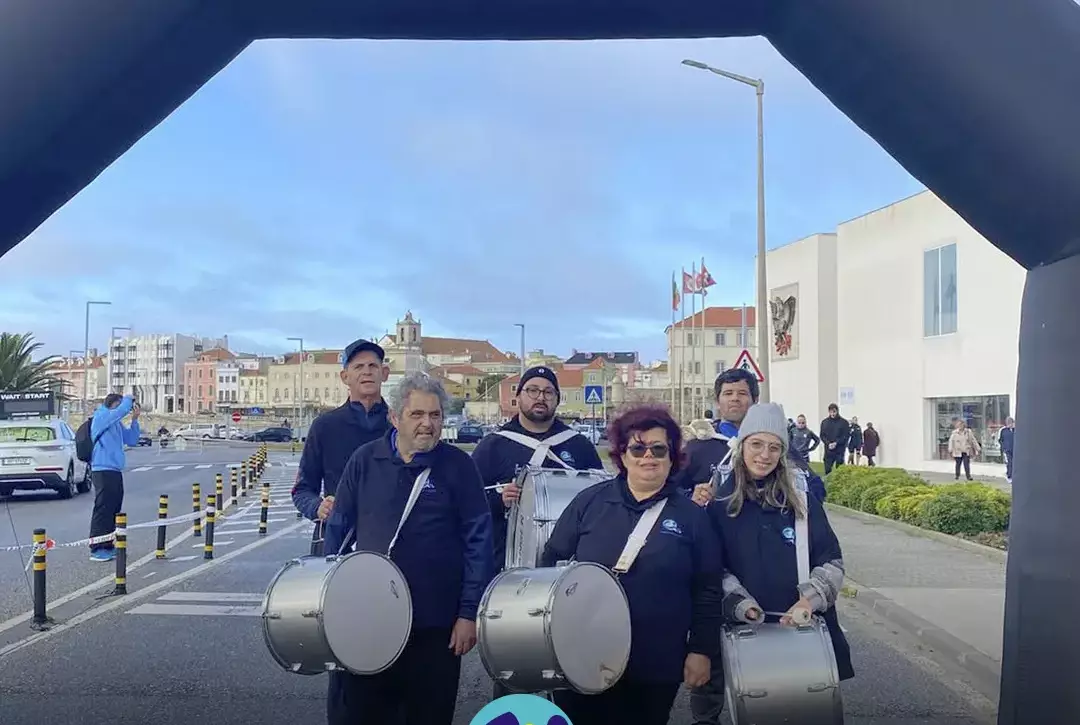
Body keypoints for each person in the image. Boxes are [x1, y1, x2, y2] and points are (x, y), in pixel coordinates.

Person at [324, 372, 494, 725]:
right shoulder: (364, 460)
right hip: (369, 620)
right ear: (394, 417)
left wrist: (468, 614)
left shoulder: (459, 466)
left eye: (435, 415)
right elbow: (337, 534)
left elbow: (479, 542)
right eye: (417, 414)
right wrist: (329, 602)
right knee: (362, 715)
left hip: (436, 625)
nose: (427, 424)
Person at [542, 404, 724, 725]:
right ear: (622, 456)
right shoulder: (589, 503)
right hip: (584, 653)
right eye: (638, 448)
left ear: (672, 457)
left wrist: (701, 651)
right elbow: (550, 563)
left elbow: (707, 589)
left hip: (656, 661)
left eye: (658, 449)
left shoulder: (692, 517)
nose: (648, 456)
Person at [693, 403, 854, 725]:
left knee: (802, 712)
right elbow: (709, 570)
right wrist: (741, 604)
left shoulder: (802, 502)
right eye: (756, 444)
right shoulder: (719, 504)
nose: (764, 455)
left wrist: (810, 600)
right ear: (741, 447)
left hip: (799, 629)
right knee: (720, 709)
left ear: (782, 453)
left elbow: (831, 559)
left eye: (774, 447)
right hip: (736, 631)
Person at [471, 365, 603, 571]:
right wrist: (499, 500)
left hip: (566, 566)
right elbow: (469, 505)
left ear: (557, 399)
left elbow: (602, 498)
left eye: (548, 392)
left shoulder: (579, 446)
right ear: (519, 396)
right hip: (505, 565)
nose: (541, 397)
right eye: (532, 390)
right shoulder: (493, 446)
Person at [292, 339, 391, 554]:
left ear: (385, 373)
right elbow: (302, 489)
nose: (367, 372)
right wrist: (317, 507)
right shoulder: (325, 426)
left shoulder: (399, 426)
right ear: (345, 377)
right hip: (336, 542)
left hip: (390, 542)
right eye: (358, 366)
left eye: (373, 366)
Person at [677, 368, 759, 509]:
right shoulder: (696, 446)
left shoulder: (771, 446)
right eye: (728, 393)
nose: (735, 398)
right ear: (717, 401)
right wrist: (690, 498)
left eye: (742, 393)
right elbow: (671, 489)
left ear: (755, 400)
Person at [88, 394, 141, 562]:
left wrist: (134, 420)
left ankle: (108, 544)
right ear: (113, 404)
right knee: (103, 508)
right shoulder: (102, 416)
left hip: (115, 469)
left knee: (114, 507)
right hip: (102, 468)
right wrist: (129, 398)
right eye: (119, 405)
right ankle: (97, 548)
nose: (124, 409)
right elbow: (121, 410)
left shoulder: (115, 423)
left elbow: (131, 440)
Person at [819, 403, 850, 474]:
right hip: (828, 450)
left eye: (834, 411)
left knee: (839, 471)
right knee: (827, 470)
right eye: (831, 412)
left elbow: (846, 436)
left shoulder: (844, 423)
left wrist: (836, 443)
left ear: (837, 411)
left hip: (839, 450)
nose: (832, 414)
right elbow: (822, 435)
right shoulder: (825, 422)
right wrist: (828, 443)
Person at [999, 417, 1015, 482]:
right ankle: (1009, 476)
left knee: (1014, 463)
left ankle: (1013, 475)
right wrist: (1003, 447)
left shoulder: (1015, 430)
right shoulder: (1003, 430)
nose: (1010, 425)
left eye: (1011, 423)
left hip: (1015, 450)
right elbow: (1000, 440)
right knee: (1009, 462)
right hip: (1007, 450)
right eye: (1008, 423)